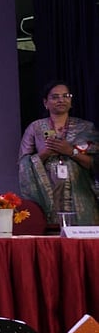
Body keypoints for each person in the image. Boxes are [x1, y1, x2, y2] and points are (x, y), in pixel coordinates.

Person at [18, 80, 99, 225]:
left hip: (81, 195)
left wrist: (71, 151)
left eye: (66, 96)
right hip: (47, 196)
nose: (61, 100)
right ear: (46, 103)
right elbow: (23, 164)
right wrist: (45, 153)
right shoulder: (35, 128)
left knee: (83, 235)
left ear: (71, 101)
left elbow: (95, 164)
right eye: (55, 97)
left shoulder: (86, 128)